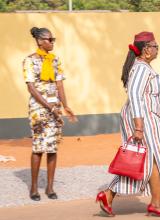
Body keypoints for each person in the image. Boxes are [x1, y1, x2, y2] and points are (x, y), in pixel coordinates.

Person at [96, 32, 160, 217]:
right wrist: (138, 127)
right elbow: (134, 97)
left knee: (152, 160)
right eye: (155, 46)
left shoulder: (145, 67)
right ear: (146, 50)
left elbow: (145, 95)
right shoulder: (141, 68)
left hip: (149, 118)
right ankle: (108, 194)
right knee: (142, 161)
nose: (158, 48)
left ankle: (156, 203)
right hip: (143, 119)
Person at [23, 27, 77, 201]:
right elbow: (32, 88)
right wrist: (49, 107)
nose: (52, 42)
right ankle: (33, 188)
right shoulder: (29, 61)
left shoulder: (55, 60)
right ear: (40, 41)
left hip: (55, 107)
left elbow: (60, 84)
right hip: (38, 109)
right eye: (49, 39)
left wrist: (65, 106)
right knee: (39, 148)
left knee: (52, 148)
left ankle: (50, 187)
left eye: (54, 39)